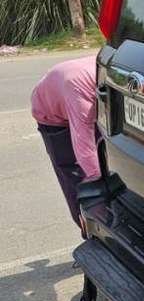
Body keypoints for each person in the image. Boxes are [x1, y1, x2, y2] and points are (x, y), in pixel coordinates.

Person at [30, 56, 100, 239]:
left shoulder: (115, 68)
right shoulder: (81, 90)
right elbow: (84, 147)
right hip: (52, 116)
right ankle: (90, 236)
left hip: (74, 92)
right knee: (76, 178)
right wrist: (99, 187)